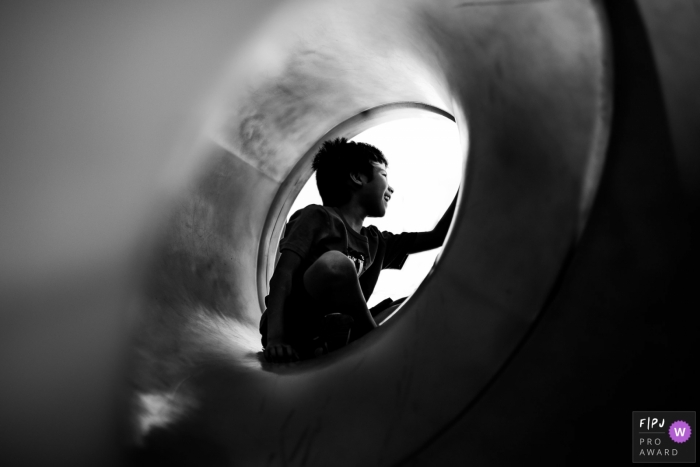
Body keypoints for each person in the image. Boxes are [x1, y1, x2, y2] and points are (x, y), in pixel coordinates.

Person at [261, 137, 457, 363]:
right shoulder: (318, 217)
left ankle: (332, 341)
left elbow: (437, 236)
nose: (390, 187)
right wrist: (276, 338)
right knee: (335, 263)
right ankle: (371, 338)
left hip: (340, 326)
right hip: (293, 326)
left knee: (404, 305)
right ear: (357, 177)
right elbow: (283, 275)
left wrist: (474, 181)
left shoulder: (376, 241)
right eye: (384, 175)